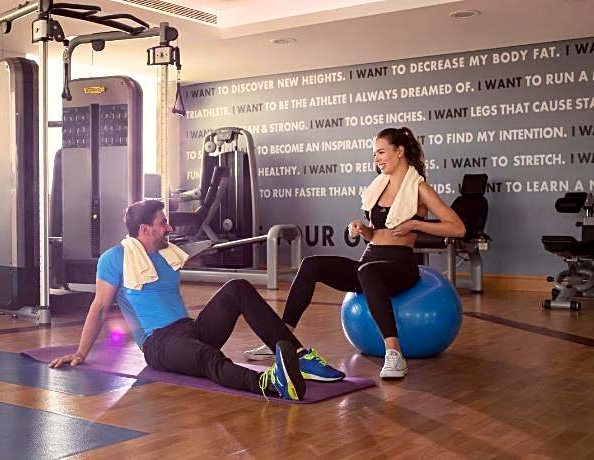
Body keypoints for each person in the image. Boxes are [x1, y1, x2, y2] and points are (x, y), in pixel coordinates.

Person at [49, 199, 345, 400]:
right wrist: (81, 352)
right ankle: (271, 385)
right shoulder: (116, 258)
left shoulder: (167, 253)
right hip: (159, 344)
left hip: (191, 329)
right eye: (163, 223)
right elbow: (100, 306)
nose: (169, 228)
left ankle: (300, 358)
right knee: (207, 357)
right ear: (145, 230)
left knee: (238, 287)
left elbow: (193, 251)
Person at [244, 127, 465, 379]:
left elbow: (457, 227)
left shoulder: (419, 188)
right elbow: (377, 233)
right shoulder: (379, 187)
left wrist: (415, 224)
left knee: (367, 271)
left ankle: (394, 354)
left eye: (381, 152)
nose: (376, 159)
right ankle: (280, 339)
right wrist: (364, 230)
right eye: (374, 154)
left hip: (400, 267)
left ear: (399, 151)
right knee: (311, 264)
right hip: (369, 263)